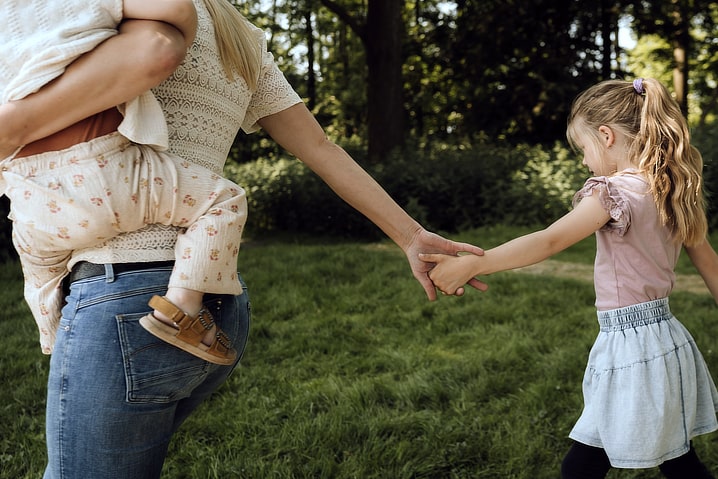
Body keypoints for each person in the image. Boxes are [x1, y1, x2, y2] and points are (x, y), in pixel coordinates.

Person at [0, 1, 486, 477]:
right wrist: (410, 235)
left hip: (124, 297)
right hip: (214, 300)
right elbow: (320, 147)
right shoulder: (240, 35)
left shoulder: (135, 10)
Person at [421, 78, 718, 478]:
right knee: (671, 456)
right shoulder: (670, 188)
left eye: (583, 149)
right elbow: (710, 264)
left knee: (603, 462)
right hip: (665, 340)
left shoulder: (614, 193)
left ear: (607, 136)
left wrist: (476, 262)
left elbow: (550, 240)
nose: (584, 161)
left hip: (631, 351)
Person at [1, 0, 247, 365]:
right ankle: (182, 305)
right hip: (110, 178)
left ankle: (56, 342)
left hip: (30, 202)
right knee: (222, 201)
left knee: (41, 278)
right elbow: (176, 9)